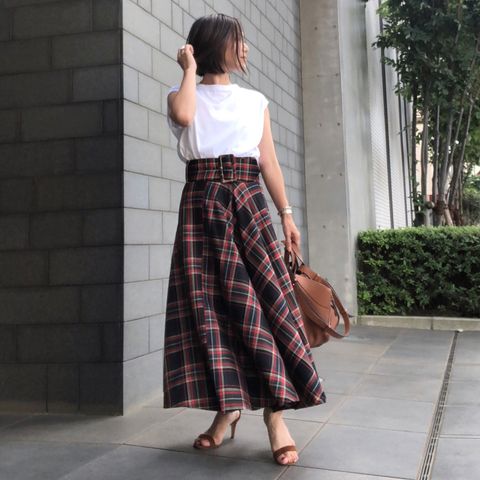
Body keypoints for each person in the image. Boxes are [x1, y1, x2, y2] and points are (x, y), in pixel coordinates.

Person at [163, 13, 326, 466]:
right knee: (212, 312)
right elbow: (184, 115)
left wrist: (287, 214)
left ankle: (276, 417)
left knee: (266, 308)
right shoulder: (182, 93)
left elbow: (268, 162)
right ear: (215, 45)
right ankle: (228, 409)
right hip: (202, 207)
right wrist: (189, 68)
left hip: (248, 205)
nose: (246, 48)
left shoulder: (254, 101)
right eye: (238, 40)